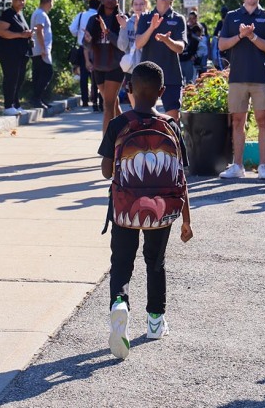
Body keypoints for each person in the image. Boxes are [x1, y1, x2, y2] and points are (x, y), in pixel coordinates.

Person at [97, 61, 192, 359]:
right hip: (162, 209)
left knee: (122, 262)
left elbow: (105, 171)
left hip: (125, 208)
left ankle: (119, 304)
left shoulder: (118, 124)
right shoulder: (172, 126)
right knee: (156, 261)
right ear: (162, 92)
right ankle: (155, 321)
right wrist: (187, 220)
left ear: (129, 90)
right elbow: (181, 175)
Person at [217, 0, 265, 180]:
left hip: (260, 77)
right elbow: (222, 45)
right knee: (237, 121)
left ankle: (263, 165)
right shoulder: (232, 17)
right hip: (238, 77)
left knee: (262, 120)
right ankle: (238, 165)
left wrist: (252, 36)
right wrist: (240, 36)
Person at [135, 0, 186, 120]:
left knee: (173, 117)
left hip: (171, 75)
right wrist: (151, 28)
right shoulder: (145, 17)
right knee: (144, 117)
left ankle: (172, 142)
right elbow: (138, 44)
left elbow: (180, 48)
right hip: (147, 75)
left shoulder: (178, 19)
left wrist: (167, 40)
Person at [84, 0, 126, 132]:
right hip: (98, 66)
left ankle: (107, 145)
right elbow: (87, 44)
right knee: (113, 103)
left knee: (107, 105)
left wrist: (107, 32)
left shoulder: (122, 19)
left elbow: (122, 45)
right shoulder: (93, 19)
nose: (110, 0)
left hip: (115, 66)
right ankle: (127, 130)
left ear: (118, 1)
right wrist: (87, 40)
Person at [0, 0, 35, 116]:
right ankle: (8, 105)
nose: (21, 2)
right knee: (11, 77)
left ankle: (16, 104)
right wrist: (20, 34)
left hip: (21, 52)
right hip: (9, 52)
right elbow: (1, 31)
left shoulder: (20, 14)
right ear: (12, 0)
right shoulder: (8, 14)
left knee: (19, 78)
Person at [69, 0, 101, 109]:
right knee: (97, 75)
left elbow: (72, 30)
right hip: (98, 49)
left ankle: (85, 100)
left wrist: (80, 34)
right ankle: (97, 99)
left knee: (84, 75)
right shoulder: (99, 17)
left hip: (83, 47)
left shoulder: (81, 15)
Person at [30, 0, 55, 109]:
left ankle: (39, 98)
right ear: (48, 2)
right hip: (41, 51)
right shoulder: (40, 14)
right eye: (51, 3)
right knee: (47, 73)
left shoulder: (40, 13)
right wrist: (43, 48)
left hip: (39, 50)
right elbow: (39, 30)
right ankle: (36, 98)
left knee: (39, 75)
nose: (51, 6)